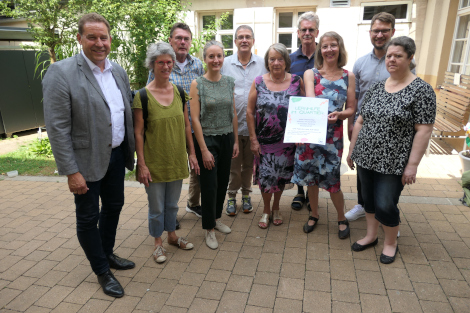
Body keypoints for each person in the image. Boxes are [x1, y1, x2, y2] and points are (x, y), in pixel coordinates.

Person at [43, 13, 136, 298]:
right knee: (87, 218)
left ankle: (107, 253)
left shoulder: (117, 70)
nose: (99, 43)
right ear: (80, 38)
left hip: (116, 155)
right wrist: (71, 171)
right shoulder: (61, 72)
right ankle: (101, 271)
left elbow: (123, 110)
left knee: (114, 206)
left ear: (110, 39)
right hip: (85, 162)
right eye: (92, 37)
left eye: (103, 37)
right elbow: (57, 128)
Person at [347, 36, 436, 264]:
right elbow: (360, 121)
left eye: (398, 55)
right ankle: (370, 235)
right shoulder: (378, 87)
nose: (392, 60)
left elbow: (423, 130)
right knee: (368, 200)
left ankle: (390, 242)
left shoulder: (421, 90)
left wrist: (413, 165)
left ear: (410, 58)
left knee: (386, 203)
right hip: (366, 156)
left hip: (394, 162)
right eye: (389, 56)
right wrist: (352, 150)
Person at [133, 42, 199, 263]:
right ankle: (157, 244)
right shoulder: (142, 96)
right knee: (156, 206)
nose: (166, 66)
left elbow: (186, 126)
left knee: (172, 204)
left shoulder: (179, 92)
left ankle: (172, 236)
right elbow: (139, 133)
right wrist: (141, 164)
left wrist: (191, 153)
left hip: (175, 160)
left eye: (169, 62)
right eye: (161, 62)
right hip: (154, 163)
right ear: (152, 65)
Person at [293, 32, 356, 238]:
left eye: (333, 45)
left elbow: (352, 109)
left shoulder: (349, 76)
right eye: (325, 46)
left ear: (340, 48)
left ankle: (341, 217)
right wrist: (321, 113)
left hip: (333, 137)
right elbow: (311, 101)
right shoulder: (311, 74)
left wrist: (339, 114)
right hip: (311, 133)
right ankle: (314, 215)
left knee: (332, 180)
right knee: (311, 179)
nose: (329, 50)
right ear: (321, 50)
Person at [147, 23, 205, 226]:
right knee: (169, 170)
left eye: (186, 39)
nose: (182, 42)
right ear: (170, 41)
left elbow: (203, 93)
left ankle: (193, 203)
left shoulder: (198, 64)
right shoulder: (161, 64)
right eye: (178, 38)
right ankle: (168, 214)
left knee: (196, 167)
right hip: (168, 130)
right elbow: (149, 94)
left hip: (194, 126)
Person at [346, 12, 401, 222]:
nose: (380, 35)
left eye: (384, 30)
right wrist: (350, 127)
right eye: (376, 30)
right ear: (370, 32)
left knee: (389, 176)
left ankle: (386, 214)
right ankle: (363, 205)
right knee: (362, 170)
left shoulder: (402, 63)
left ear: (392, 32)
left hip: (391, 131)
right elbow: (354, 98)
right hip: (364, 127)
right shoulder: (360, 64)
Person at [247, 43, 304, 229]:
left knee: (280, 176)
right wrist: (253, 139)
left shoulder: (296, 81)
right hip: (264, 141)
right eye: (272, 59)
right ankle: (266, 210)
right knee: (266, 177)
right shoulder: (258, 82)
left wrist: (303, 133)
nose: (276, 62)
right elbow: (249, 111)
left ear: (286, 61)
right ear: (267, 62)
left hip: (287, 142)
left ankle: (277, 207)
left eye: (280, 59)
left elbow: (305, 108)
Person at [190, 41, 239, 249]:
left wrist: (235, 140)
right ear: (205, 59)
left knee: (221, 181)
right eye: (211, 56)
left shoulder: (229, 81)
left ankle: (217, 218)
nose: (216, 60)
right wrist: (203, 149)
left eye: (219, 55)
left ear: (223, 57)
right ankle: (208, 228)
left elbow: (233, 112)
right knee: (208, 184)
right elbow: (194, 119)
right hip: (207, 139)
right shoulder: (197, 84)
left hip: (227, 137)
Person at [221, 25, 267, 216]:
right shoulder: (225, 63)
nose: (244, 40)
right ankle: (231, 196)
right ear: (235, 41)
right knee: (233, 166)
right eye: (240, 37)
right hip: (232, 126)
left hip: (254, 126)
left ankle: (246, 195)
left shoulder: (263, 63)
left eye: (248, 37)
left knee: (249, 165)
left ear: (253, 41)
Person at [289, 11, 320, 212]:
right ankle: (300, 192)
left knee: (315, 154)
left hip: (318, 115)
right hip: (297, 115)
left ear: (317, 32)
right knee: (298, 154)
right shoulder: (290, 59)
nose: (307, 33)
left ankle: (312, 193)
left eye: (311, 29)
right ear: (298, 33)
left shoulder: (326, 56)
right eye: (304, 30)